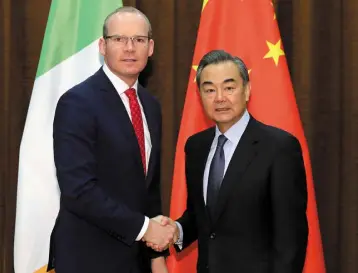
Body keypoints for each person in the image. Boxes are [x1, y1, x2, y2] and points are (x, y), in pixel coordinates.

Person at [155, 50, 308, 273]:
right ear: (199, 95)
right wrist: (176, 230)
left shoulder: (279, 147)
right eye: (209, 90)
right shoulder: (196, 147)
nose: (219, 98)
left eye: (229, 88)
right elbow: (204, 217)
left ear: (246, 90)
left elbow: (290, 239)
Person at [48, 6, 174, 273]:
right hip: (88, 258)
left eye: (139, 40)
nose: (130, 48)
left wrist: (156, 255)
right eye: (119, 39)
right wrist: (145, 229)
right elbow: (78, 191)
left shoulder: (150, 106)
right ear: (102, 46)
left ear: (150, 48)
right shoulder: (77, 102)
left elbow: (148, 188)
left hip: (136, 260)